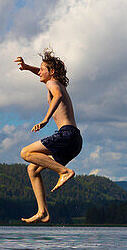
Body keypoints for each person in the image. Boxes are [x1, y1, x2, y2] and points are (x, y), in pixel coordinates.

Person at [15, 49, 81, 223]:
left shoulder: (53, 84)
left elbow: (57, 96)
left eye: (42, 68)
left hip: (66, 134)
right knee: (32, 169)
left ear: (51, 72)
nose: (39, 71)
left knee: (26, 153)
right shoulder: (56, 82)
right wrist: (27, 67)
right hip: (74, 140)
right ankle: (42, 212)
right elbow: (41, 73)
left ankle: (64, 172)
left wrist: (45, 120)